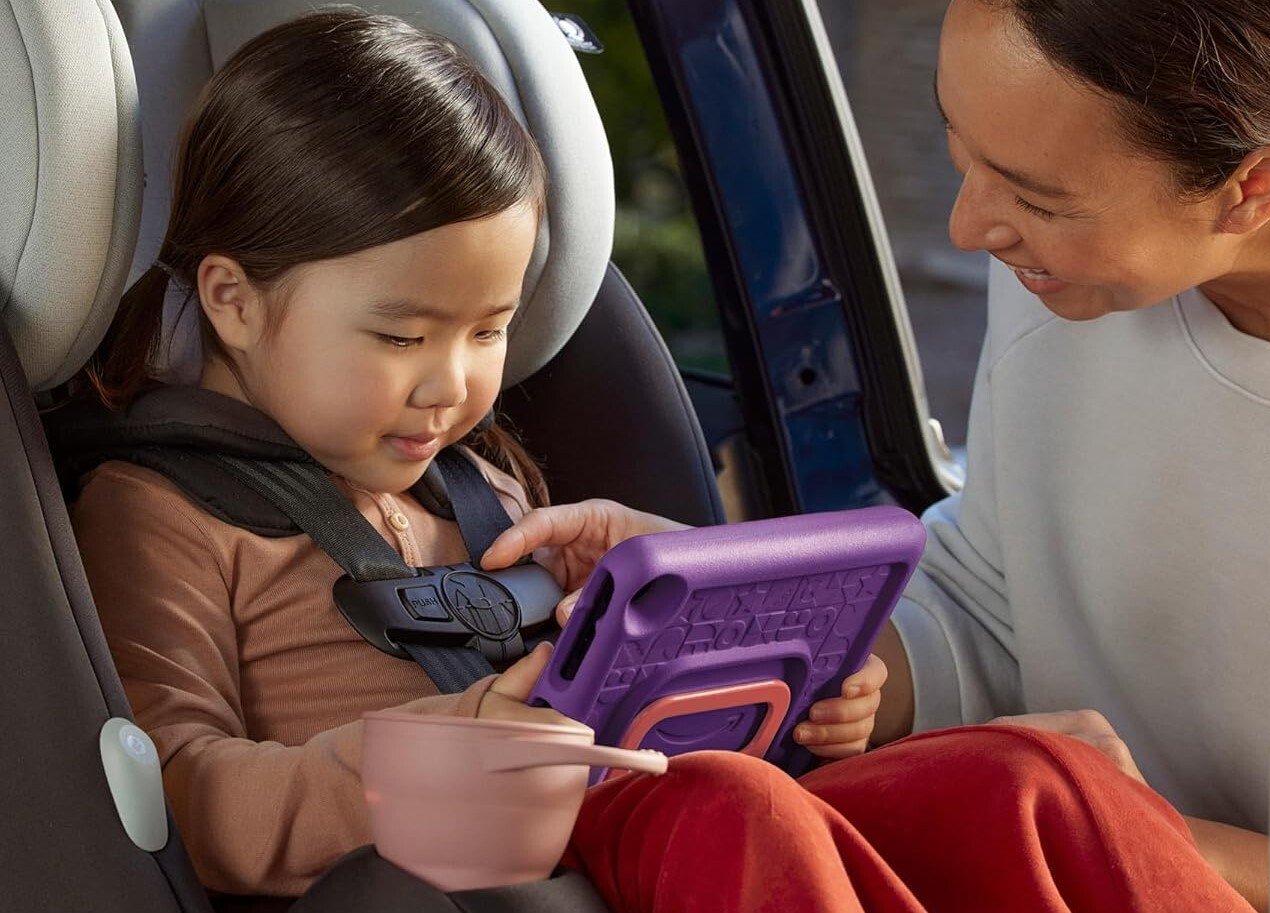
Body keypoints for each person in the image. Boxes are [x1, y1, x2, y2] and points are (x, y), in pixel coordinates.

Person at [487, 1, 1270, 910]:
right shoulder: (1078, 279)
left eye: (1036, 196)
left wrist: (1129, 827)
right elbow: (987, 600)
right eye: (960, 151)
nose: (972, 227)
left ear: (1253, 188)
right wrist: (743, 617)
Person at [67, 11, 883, 902]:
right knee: (736, 809)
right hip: (420, 893)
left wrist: (734, 661)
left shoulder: (487, 492)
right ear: (233, 300)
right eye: (400, 335)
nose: (449, 385)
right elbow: (181, 796)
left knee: (990, 781)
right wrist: (433, 757)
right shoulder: (159, 512)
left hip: (601, 851)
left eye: (489, 329)